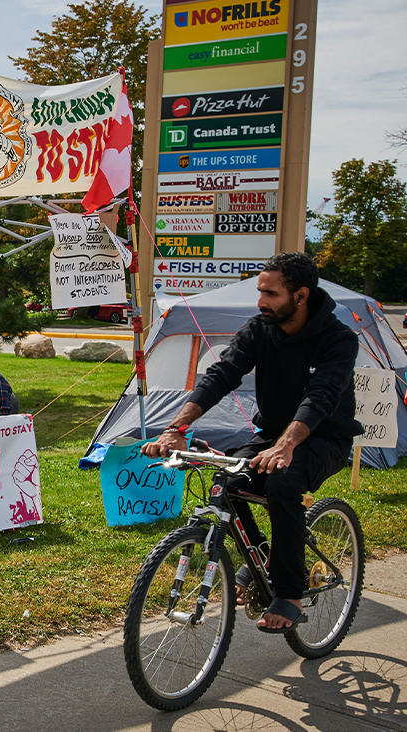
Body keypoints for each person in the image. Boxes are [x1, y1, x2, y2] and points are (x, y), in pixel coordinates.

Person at [142, 253, 361, 633]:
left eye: (271, 294)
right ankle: (260, 554)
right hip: (272, 435)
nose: (261, 301)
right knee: (224, 481)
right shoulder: (259, 329)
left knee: (282, 484)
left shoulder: (338, 338)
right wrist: (176, 426)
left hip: (325, 437)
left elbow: (321, 396)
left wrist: (286, 445)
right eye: (260, 291)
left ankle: (289, 593)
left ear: (301, 295)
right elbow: (222, 374)